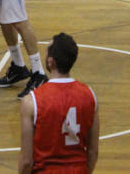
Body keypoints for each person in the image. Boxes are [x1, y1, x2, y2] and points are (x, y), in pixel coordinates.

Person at [19, 32, 99, 174]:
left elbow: (26, 161)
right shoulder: (90, 96)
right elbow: (93, 152)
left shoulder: (31, 101)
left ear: (51, 62)